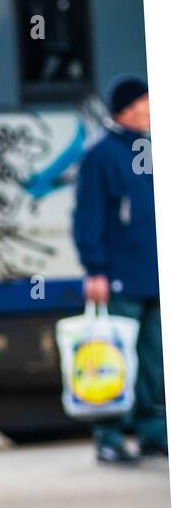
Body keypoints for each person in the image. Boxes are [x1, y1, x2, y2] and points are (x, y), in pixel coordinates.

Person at [73, 73, 167, 464]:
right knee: (112, 358)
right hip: (119, 277)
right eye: (146, 102)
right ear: (128, 109)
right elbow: (88, 216)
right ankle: (109, 436)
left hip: (154, 274)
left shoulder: (151, 146)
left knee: (154, 362)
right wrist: (95, 270)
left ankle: (152, 432)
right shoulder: (101, 154)